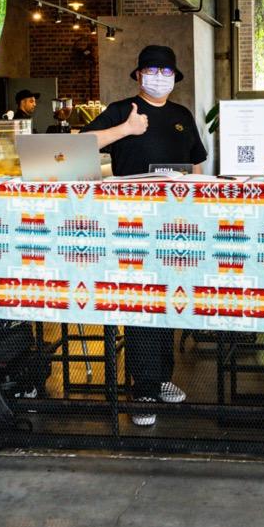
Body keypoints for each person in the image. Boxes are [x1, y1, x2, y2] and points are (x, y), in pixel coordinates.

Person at [84, 45, 206, 425]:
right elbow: (77, 146)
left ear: (174, 77)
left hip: (174, 225)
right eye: (151, 70)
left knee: (166, 300)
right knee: (139, 303)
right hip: (132, 224)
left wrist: (196, 211)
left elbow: (197, 165)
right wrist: (125, 129)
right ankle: (143, 390)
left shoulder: (182, 115)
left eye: (166, 71)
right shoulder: (123, 110)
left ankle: (161, 378)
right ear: (138, 75)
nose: (158, 77)